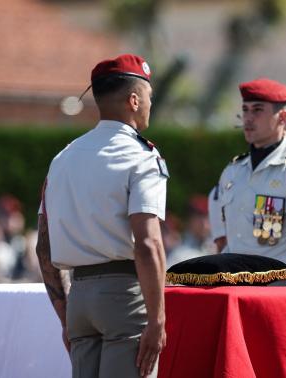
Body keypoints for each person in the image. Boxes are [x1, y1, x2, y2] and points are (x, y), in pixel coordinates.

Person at [36, 54, 167, 378]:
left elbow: (43, 247)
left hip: (79, 294)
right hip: (124, 294)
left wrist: (66, 311)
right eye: (149, 97)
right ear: (134, 100)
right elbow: (148, 243)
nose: (150, 104)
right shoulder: (141, 157)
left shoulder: (63, 159)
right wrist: (157, 318)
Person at [210, 78, 286, 293]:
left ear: (283, 117)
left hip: (282, 288)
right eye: (245, 110)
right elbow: (224, 243)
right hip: (235, 286)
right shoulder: (233, 171)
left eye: (258, 110)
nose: (248, 118)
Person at [166, 195, 215, 267]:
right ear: (189, 221)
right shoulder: (179, 255)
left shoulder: (218, 248)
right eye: (199, 219)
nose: (204, 225)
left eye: (207, 218)